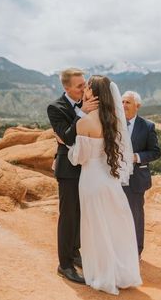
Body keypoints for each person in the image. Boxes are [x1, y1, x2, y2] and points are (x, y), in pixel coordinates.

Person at [68, 75, 142, 295]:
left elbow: (78, 158)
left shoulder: (84, 122)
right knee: (114, 227)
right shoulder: (113, 119)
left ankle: (102, 275)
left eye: (87, 87)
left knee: (95, 229)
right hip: (110, 181)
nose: (85, 90)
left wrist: (66, 145)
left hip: (90, 181)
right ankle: (121, 274)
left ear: (93, 93)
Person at [47, 68, 98, 284]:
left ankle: (75, 252)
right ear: (66, 88)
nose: (84, 89)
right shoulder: (55, 108)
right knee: (68, 216)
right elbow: (68, 139)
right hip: (68, 171)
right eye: (79, 86)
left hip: (87, 167)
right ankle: (64, 265)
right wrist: (81, 113)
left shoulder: (89, 102)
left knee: (81, 213)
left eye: (84, 84)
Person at [121, 91, 161, 258]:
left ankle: (136, 252)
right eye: (122, 101)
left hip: (136, 180)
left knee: (135, 215)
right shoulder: (114, 124)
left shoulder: (147, 126)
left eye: (128, 102)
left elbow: (155, 152)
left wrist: (137, 157)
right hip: (115, 178)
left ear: (137, 106)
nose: (123, 105)